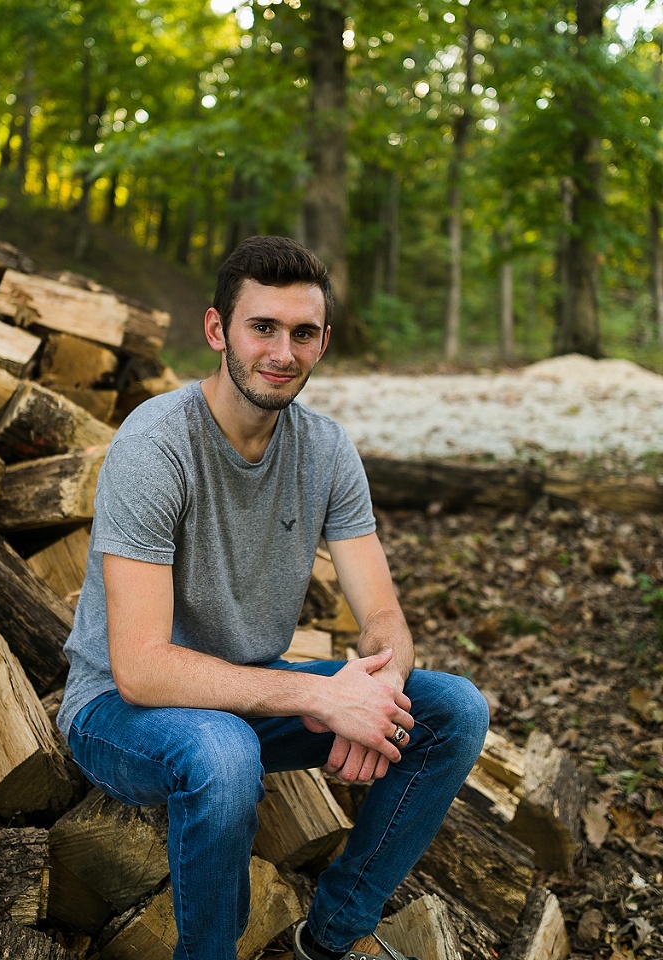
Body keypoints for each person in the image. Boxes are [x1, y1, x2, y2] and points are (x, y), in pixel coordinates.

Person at [57, 235, 489, 960]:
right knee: (222, 752)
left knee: (453, 711)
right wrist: (321, 701)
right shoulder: (155, 445)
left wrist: (374, 691)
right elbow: (140, 667)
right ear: (218, 330)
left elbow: (382, 613)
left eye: (303, 332)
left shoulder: (326, 449)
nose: (282, 352)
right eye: (263, 327)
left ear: (324, 341)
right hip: (121, 713)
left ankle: (325, 940)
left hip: (245, 703)